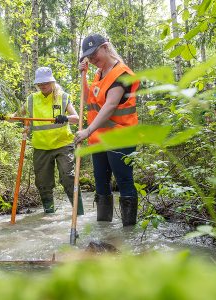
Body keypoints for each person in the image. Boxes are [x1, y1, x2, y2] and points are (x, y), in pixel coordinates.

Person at [0, 67, 84, 215]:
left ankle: (79, 213)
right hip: (41, 147)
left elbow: (76, 118)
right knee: (43, 182)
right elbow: (16, 116)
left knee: (68, 176)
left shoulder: (62, 97)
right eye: (40, 83)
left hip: (63, 144)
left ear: (52, 81)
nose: (43, 86)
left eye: (46, 82)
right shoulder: (32, 99)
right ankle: (49, 214)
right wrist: (4, 117)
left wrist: (66, 118)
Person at [74, 34, 140, 226]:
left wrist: (86, 131)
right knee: (101, 185)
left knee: (124, 181)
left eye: (94, 55)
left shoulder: (122, 74)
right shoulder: (98, 73)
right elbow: (89, 100)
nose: (92, 60)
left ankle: (129, 233)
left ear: (105, 47)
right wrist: (83, 76)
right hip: (99, 139)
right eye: (89, 58)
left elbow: (110, 106)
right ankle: (104, 232)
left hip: (120, 138)